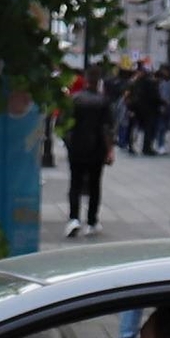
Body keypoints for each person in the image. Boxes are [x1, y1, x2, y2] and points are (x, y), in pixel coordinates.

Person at [62, 70, 112, 237]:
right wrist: (109, 149)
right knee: (94, 185)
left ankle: (73, 218)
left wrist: (68, 144)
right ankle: (91, 221)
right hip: (96, 149)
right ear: (97, 82)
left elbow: (64, 124)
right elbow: (106, 128)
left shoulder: (74, 99)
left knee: (75, 184)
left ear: (85, 81)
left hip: (76, 148)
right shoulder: (103, 101)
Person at [125, 65, 162, 156]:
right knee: (148, 129)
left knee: (133, 128)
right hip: (148, 109)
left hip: (136, 108)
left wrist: (129, 107)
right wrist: (161, 104)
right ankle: (146, 147)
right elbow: (155, 96)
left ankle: (131, 146)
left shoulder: (133, 83)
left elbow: (128, 95)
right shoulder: (150, 83)